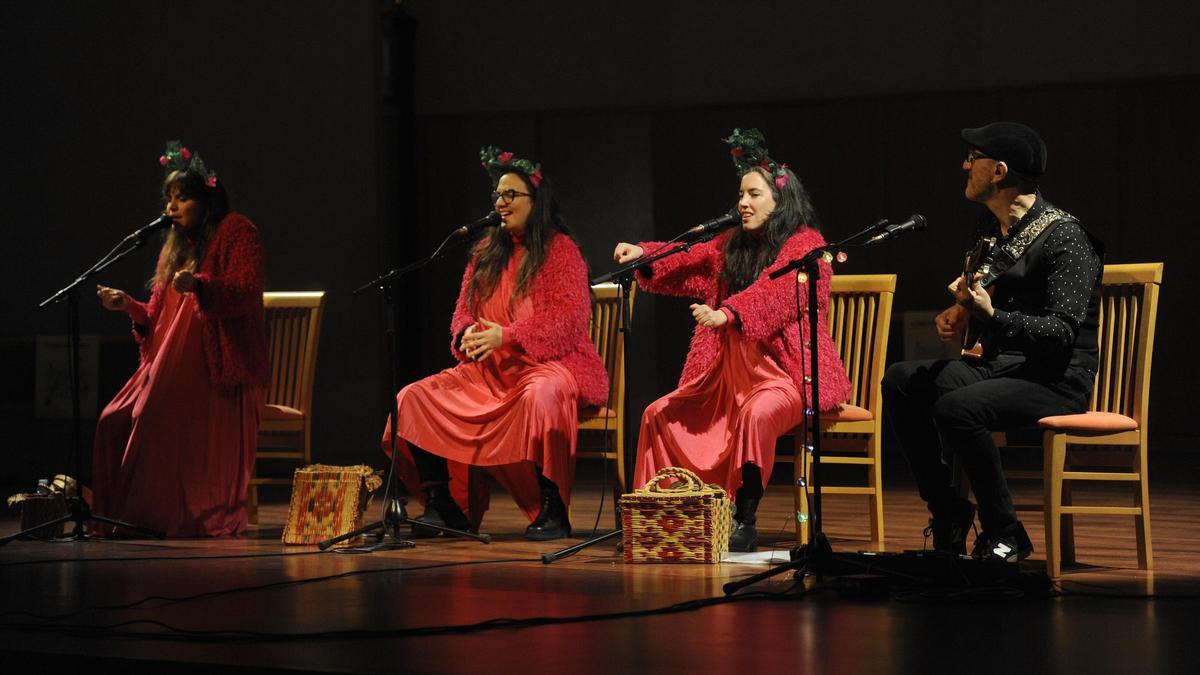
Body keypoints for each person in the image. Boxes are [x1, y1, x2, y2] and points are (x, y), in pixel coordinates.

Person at [613, 129, 852, 552]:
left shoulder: (808, 245)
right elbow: (688, 260)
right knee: (658, 414)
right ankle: (665, 514)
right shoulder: (731, 245)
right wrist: (645, 256)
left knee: (757, 414)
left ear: (781, 200)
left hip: (785, 378)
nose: (743, 203)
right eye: (741, 194)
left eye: (754, 194)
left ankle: (745, 516)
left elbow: (779, 294)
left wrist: (729, 312)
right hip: (726, 375)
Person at [882, 122, 1104, 562]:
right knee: (903, 380)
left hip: (1056, 377)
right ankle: (947, 509)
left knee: (956, 408)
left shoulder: (1066, 238)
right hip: (1002, 364)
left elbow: (1061, 334)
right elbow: (987, 294)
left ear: (999, 171)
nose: (965, 165)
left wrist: (992, 315)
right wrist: (963, 312)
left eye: (974, 158)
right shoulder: (990, 228)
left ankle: (1006, 531)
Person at [381, 147, 607, 541]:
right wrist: (464, 332)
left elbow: (568, 323)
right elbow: (462, 311)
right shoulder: (485, 253)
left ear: (536, 202)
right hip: (488, 373)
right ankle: (442, 506)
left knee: (543, 394)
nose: (501, 203)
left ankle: (553, 508)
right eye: (497, 196)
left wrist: (509, 335)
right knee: (412, 399)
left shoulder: (560, 251)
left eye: (510, 195)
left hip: (547, 367)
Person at [92, 141, 268, 537]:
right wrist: (128, 307)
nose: (172, 208)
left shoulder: (237, 230)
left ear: (206, 199)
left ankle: (160, 517)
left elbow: (245, 290)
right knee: (111, 421)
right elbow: (158, 319)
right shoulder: (174, 248)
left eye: (182, 198)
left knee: (151, 417)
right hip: (173, 366)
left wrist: (200, 285)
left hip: (218, 370)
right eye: (168, 199)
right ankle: (126, 515)